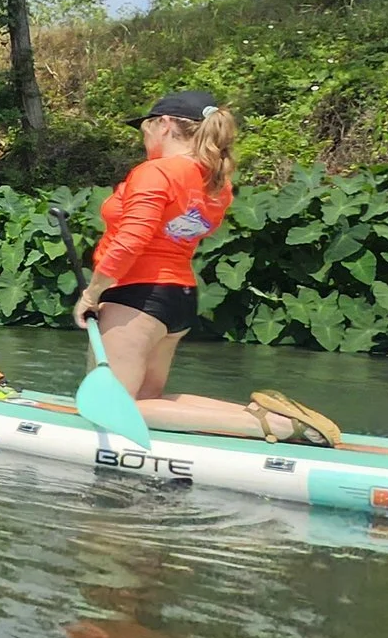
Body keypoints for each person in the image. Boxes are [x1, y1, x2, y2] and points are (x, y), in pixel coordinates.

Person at [73, 90, 341, 445]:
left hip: (136, 297)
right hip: (178, 298)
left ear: (164, 124)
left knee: (113, 406)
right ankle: (262, 414)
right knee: (148, 401)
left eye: (145, 128)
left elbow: (131, 240)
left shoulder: (156, 172)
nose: (144, 137)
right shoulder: (217, 182)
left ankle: (273, 426)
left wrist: (92, 293)